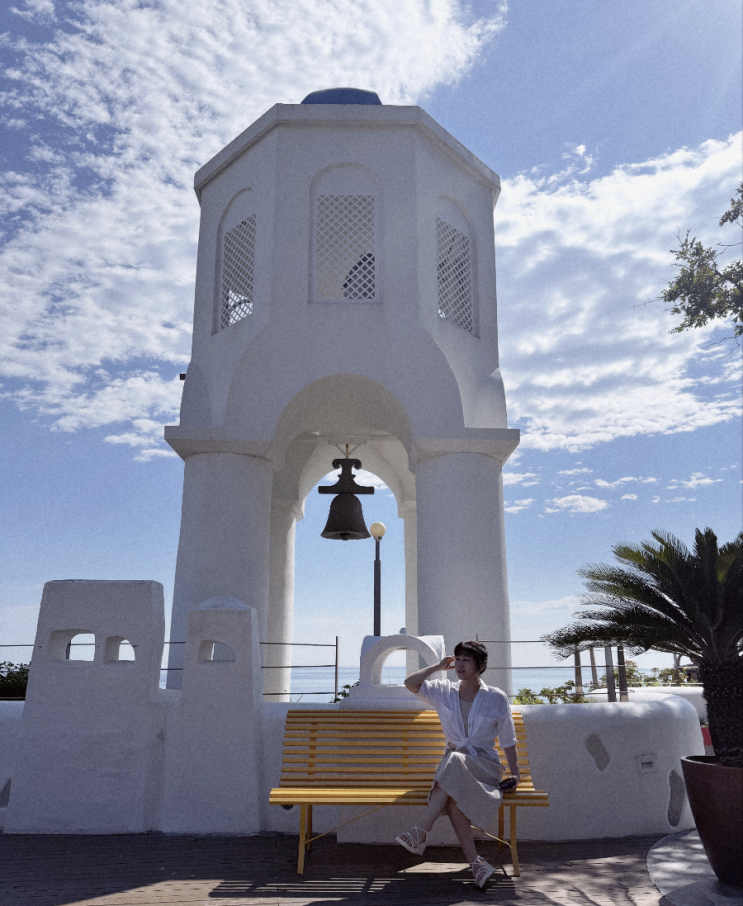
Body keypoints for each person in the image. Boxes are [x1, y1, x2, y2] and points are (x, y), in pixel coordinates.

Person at [395, 640, 520, 889]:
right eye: (458, 659)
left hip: (484, 768)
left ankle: (421, 830)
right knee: (453, 795)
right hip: (455, 768)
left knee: (452, 762)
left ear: (481, 666)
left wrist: (516, 774)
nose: (460, 665)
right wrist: (437, 667)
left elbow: (508, 740)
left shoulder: (495, 697)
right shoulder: (444, 691)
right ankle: (476, 864)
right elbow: (411, 683)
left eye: (467, 660)